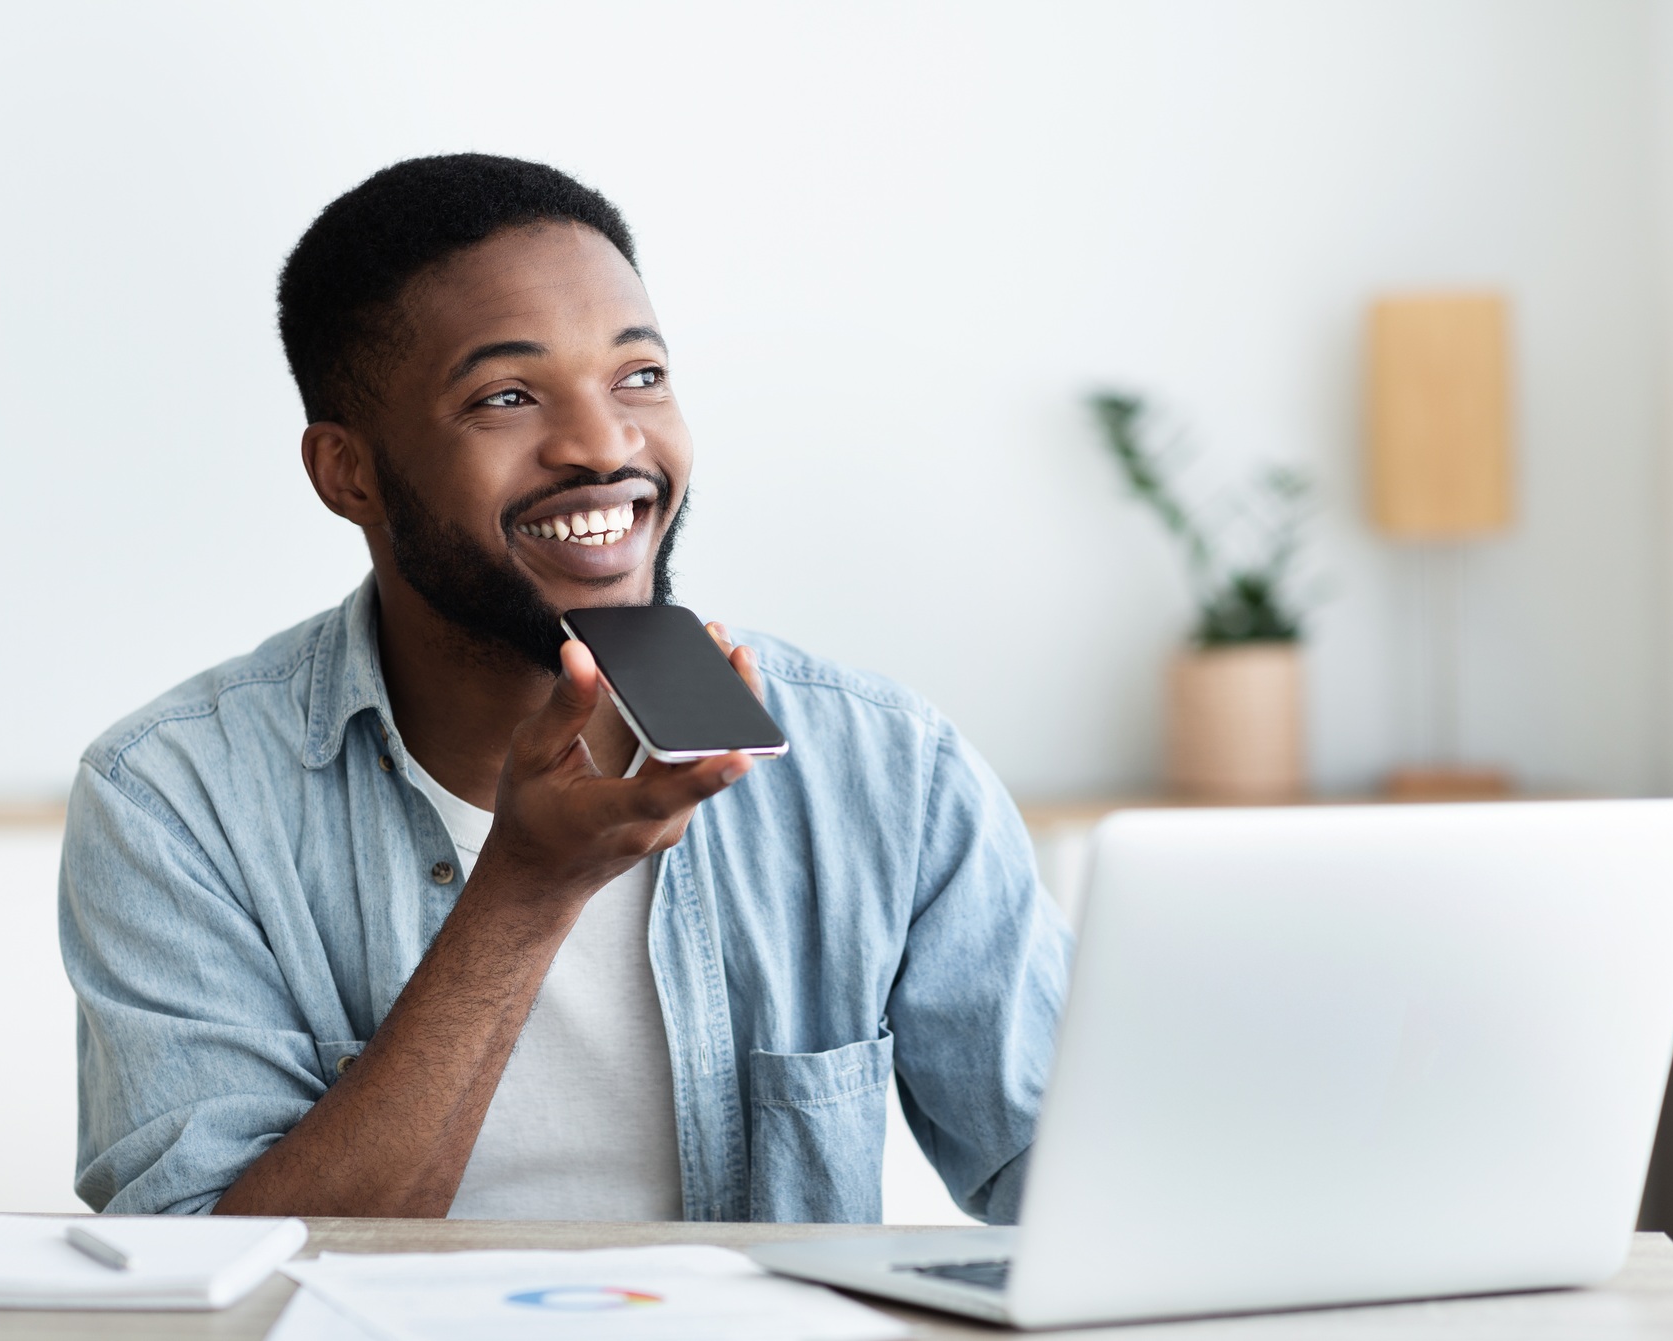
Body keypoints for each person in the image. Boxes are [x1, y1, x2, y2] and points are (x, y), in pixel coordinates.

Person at [59, 153, 1071, 1223]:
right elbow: (211, 1288)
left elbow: (1076, 1187)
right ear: (346, 473)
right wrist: (526, 891)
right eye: (505, 397)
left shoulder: (884, 768)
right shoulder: (175, 798)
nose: (604, 444)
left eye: (638, 376)